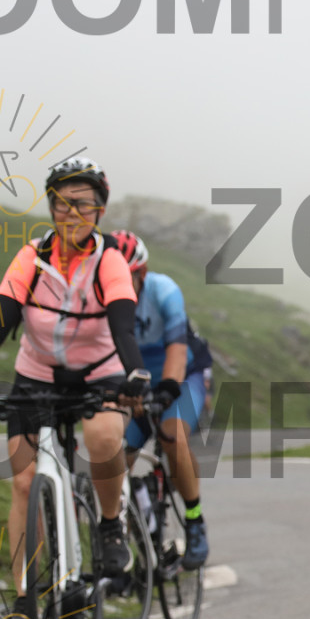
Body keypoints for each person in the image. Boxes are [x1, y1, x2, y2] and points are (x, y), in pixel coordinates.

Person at [0, 157, 150, 619]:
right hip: (35, 376)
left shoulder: (109, 260)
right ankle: (24, 603)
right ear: (51, 207)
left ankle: (109, 525)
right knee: (22, 482)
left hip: (99, 373)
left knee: (103, 436)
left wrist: (136, 374)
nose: (71, 212)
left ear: (99, 210)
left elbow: (122, 326)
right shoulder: (31, 257)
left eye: (82, 203)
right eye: (62, 202)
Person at [114, 232, 211, 569]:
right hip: (137, 383)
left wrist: (167, 389)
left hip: (182, 375)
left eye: (125, 277)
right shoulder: (103, 300)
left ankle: (195, 520)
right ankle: (124, 544)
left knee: (172, 435)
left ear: (141, 273)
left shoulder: (163, 290)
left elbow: (177, 349)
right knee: (114, 454)